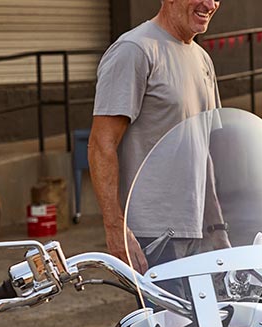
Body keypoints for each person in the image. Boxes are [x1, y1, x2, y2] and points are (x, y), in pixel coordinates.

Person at [90, 0, 222, 270]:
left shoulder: (203, 59)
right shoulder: (134, 50)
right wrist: (116, 229)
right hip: (152, 236)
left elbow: (204, 150)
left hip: (197, 232)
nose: (210, 4)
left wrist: (217, 228)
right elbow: (101, 144)